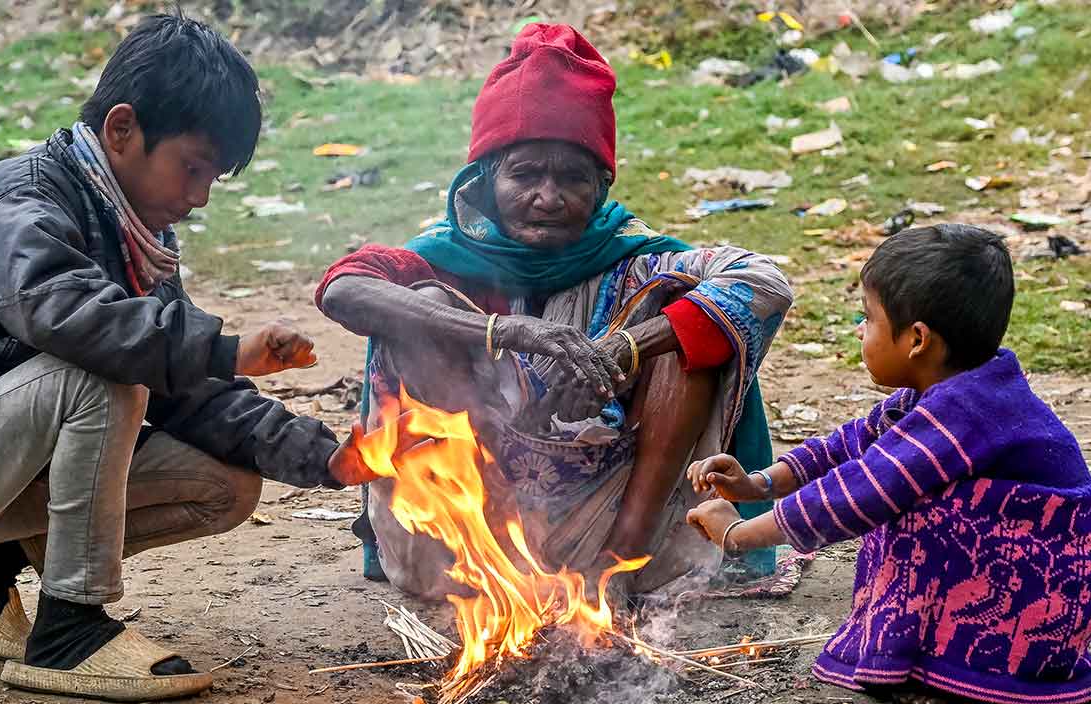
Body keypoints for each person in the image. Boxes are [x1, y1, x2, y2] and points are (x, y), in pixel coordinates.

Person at [0, 12, 376, 703]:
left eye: (215, 178)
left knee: (227, 488)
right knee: (105, 378)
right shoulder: (17, 201)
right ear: (122, 130)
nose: (201, 195)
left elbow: (186, 388)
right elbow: (66, 315)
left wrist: (326, 457)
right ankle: (69, 635)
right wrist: (226, 349)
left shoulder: (135, 239)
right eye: (193, 167)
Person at [316, 24, 793, 599]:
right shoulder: (444, 255)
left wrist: (631, 345)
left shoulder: (637, 256)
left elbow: (765, 280)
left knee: (692, 310)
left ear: (601, 187)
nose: (548, 197)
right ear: (487, 182)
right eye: (524, 175)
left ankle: (622, 566)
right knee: (422, 306)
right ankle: (493, 555)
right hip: (468, 527)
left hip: (614, 512)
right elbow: (343, 289)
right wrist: (502, 330)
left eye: (572, 178)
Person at [686, 224, 1091, 704]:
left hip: (1039, 600)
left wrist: (737, 535)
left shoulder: (965, 411)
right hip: (1039, 584)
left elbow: (857, 492)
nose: (859, 330)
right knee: (904, 491)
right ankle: (936, 662)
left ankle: (958, 670)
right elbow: (848, 446)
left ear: (918, 340)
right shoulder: (945, 395)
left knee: (907, 506)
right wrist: (758, 484)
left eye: (868, 318)